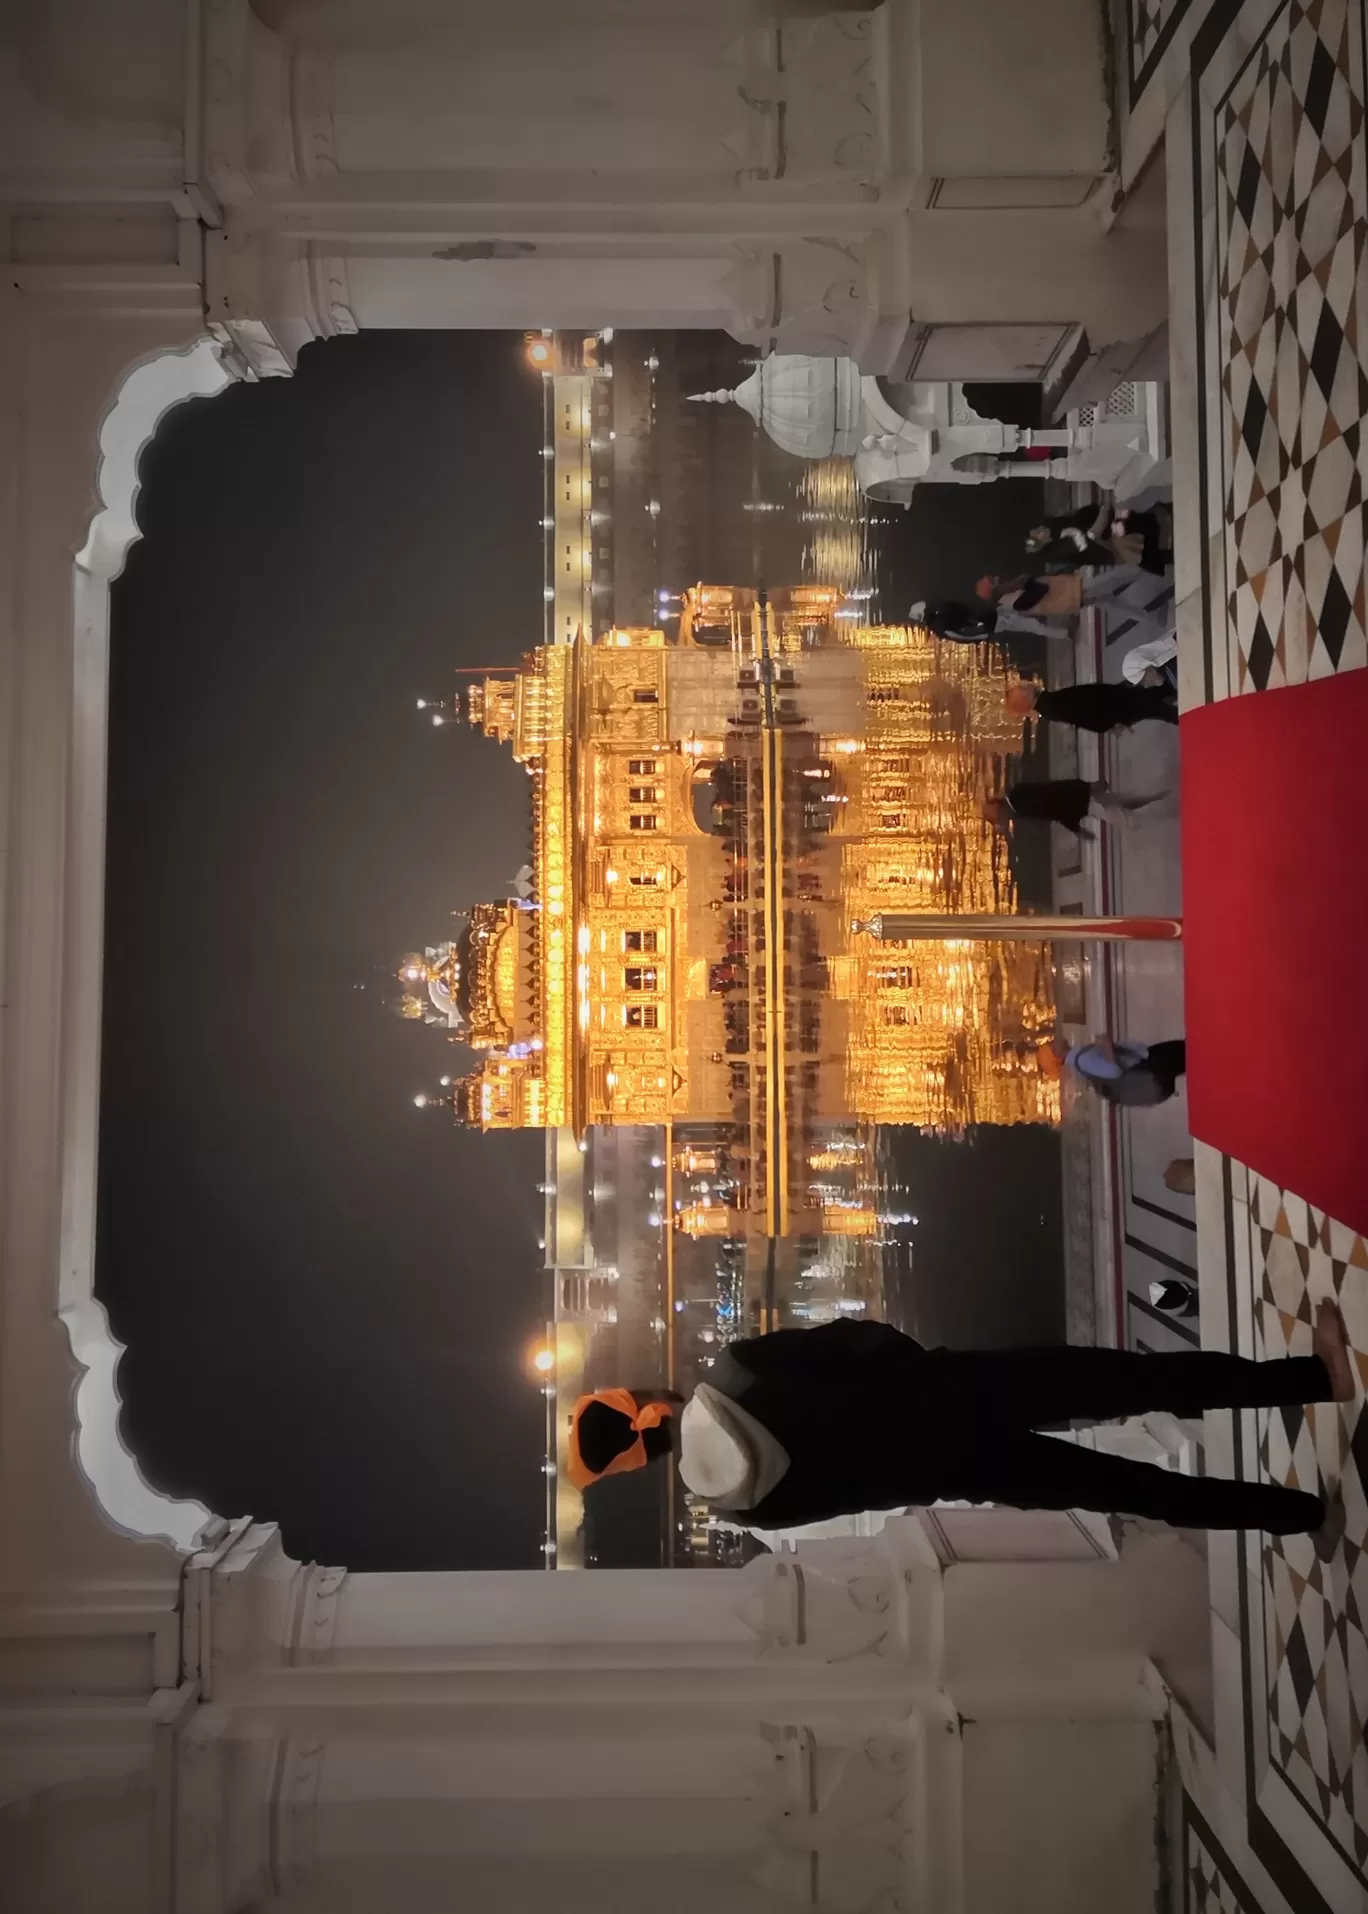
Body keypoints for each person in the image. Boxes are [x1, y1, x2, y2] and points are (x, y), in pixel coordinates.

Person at [569, 1308, 1354, 1535]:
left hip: (961, 1472)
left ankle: (1295, 1513)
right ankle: (1312, 1376)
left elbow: (852, 1499)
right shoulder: (735, 1370)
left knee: (1138, 1492)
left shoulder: (739, 1508)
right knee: (1139, 1381)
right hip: (963, 1391)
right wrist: (920, 1371)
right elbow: (859, 1341)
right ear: (645, 1400)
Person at [1041, 1030, 1187, 1105]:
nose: (1054, 1039)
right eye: (1051, 1044)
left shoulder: (1079, 1060)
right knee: (1189, 1051)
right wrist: (1106, 1044)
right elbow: (1114, 1071)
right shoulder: (1083, 1059)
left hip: (1147, 1063)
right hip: (1149, 1064)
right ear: (1056, 1054)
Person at [984, 778, 1165, 837]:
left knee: (1131, 822)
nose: (1000, 823)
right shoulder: (1019, 803)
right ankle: (1163, 797)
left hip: (1087, 802)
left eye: (997, 819)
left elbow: (1055, 800)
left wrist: (1087, 786)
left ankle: (1168, 810)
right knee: (1127, 802)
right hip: (1086, 801)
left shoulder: (1021, 804)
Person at [1025, 504, 1173, 574]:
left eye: (1037, 529)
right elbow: (1081, 542)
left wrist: (1099, 513)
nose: (1040, 529)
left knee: (1146, 527)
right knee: (1145, 551)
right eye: (1038, 534)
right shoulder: (1054, 552)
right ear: (1042, 543)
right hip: (1107, 548)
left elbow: (1078, 518)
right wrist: (1097, 526)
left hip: (1109, 529)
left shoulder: (1055, 526)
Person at [1006, 676, 1177, 732]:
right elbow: (1085, 712)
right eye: (1022, 688)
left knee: (1155, 696)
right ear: (1026, 699)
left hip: (1116, 702)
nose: (1025, 684)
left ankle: (1172, 691)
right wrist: (1113, 721)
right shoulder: (1051, 704)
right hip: (1117, 705)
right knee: (1160, 709)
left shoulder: (1048, 703)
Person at [911, 598, 1065, 644]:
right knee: (1029, 625)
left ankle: (1062, 632)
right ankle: (1063, 633)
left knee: (1027, 622)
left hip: (990, 618)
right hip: (990, 622)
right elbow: (962, 634)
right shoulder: (941, 623)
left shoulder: (940, 619)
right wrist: (982, 631)